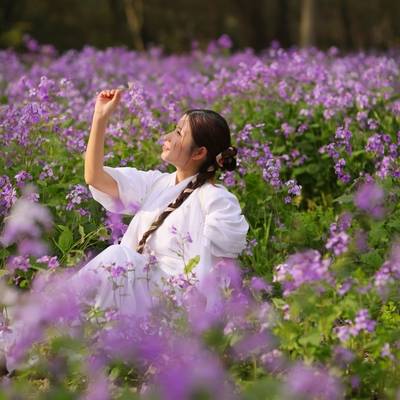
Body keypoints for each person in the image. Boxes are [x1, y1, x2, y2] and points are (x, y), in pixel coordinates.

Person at [80, 88, 250, 316]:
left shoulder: (217, 200)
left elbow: (224, 271)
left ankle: (54, 322)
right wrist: (100, 117)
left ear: (199, 153)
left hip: (173, 307)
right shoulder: (156, 185)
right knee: (116, 259)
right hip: (135, 290)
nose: (167, 137)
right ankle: (53, 323)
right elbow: (94, 177)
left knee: (116, 257)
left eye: (179, 133)